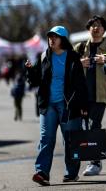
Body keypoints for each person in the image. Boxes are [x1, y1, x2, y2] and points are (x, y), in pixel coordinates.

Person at [26, 26, 88, 186]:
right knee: (46, 139)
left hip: (69, 105)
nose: (52, 39)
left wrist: (83, 105)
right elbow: (35, 81)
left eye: (56, 36)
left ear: (63, 39)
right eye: (50, 36)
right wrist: (30, 71)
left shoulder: (73, 57)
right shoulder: (44, 56)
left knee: (70, 140)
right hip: (48, 105)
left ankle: (71, 173)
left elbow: (81, 83)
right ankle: (42, 172)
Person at [73, 15, 106, 176]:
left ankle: (95, 162)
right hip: (81, 95)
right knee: (83, 127)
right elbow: (68, 67)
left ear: (104, 29)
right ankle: (90, 159)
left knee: (94, 125)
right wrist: (79, 63)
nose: (96, 28)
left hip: (100, 94)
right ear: (88, 29)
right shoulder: (80, 47)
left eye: (100, 26)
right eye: (93, 25)